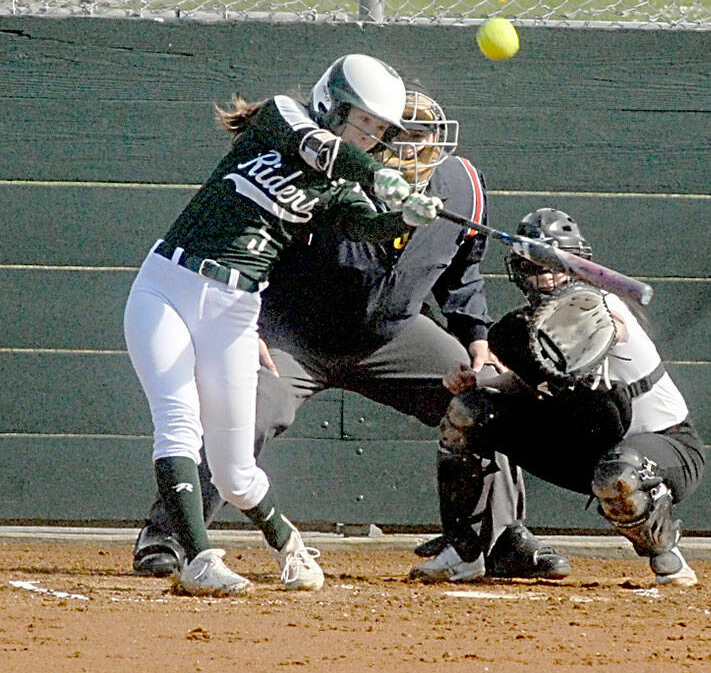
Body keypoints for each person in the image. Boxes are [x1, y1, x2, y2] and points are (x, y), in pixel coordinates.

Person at [131, 90, 571, 585]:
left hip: (393, 333)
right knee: (247, 409)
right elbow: (258, 245)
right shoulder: (329, 176)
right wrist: (248, 324)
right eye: (396, 135)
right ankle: (169, 534)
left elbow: (462, 276)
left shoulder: (463, 184)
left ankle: (496, 537)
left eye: (422, 137)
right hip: (295, 333)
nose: (412, 148)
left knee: (483, 396)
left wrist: (475, 338)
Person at [123, 53, 446, 596]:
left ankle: (289, 545)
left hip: (234, 309)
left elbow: (365, 224)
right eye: (361, 120)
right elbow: (323, 149)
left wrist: (403, 218)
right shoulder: (282, 117)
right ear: (332, 103)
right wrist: (377, 172)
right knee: (177, 423)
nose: (369, 135)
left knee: (234, 471)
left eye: (378, 130)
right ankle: (199, 560)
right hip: (167, 285)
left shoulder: (340, 185)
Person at [415, 209, 705, 586]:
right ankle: (466, 550)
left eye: (556, 264)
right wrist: (477, 381)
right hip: (588, 446)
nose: (547, 277)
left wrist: (596, 326)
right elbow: (529, 384)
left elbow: (592, 341)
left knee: (618, 474)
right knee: (471, 410)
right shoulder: (531, 327)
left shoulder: (602, 308)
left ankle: (667, 554)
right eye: (536, 267)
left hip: (666, 448)